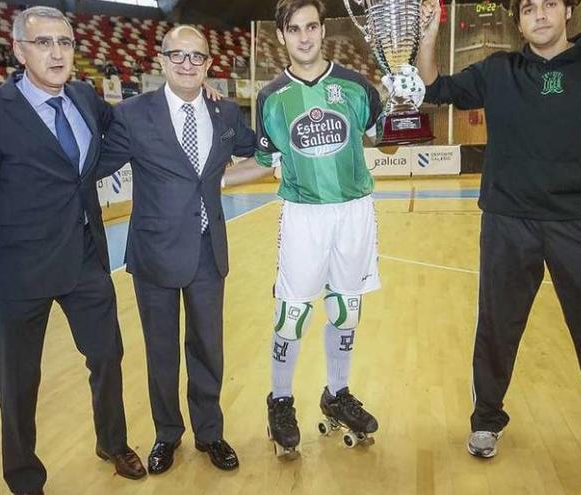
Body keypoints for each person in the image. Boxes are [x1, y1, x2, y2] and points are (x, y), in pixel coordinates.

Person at [417, 0, 581, 484]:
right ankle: (486, 422)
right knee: (498, 327)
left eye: (549, 5)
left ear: (568, 13)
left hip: (577, 223)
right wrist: (430, 35)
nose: (539, 15)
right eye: (529, 9)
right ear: (518, 21)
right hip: (507, 220)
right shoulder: (498, 71)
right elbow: (434, 87)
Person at [0, 7, 145, 494]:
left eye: (65, 43)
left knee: (107, 355)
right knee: (18, 381)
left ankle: (112, 442)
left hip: (83, 257)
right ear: (18, 50)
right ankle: (24, 476)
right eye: (43, 43)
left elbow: (107, 143)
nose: (57, 53)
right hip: (21, 269)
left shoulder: (83, 96)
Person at [96, 25, 255, 473]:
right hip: (155, 254)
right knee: (161, 351)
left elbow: (259, 149)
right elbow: (95, 163)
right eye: (177, 55)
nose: (187, 64)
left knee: (208, 347)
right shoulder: (131, 114)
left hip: (208, 250)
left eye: (196, 57)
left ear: (208, 65)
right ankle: (168, 434)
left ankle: (210, 433)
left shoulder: (225, 114)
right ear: (161, 61)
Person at [253, 0, 383, 458]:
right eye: (294, 29)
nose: (304, 36)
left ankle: (337, 393)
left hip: (354, 211)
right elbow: (265, 158)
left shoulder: (356, 86)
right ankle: (281, 399)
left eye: (312, 26)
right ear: (282, 36)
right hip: (304, 214)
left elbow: (383, 131)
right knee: (292, 315)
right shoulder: (271, 97)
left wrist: (405, 97)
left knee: (346, 311)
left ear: (323, 29)